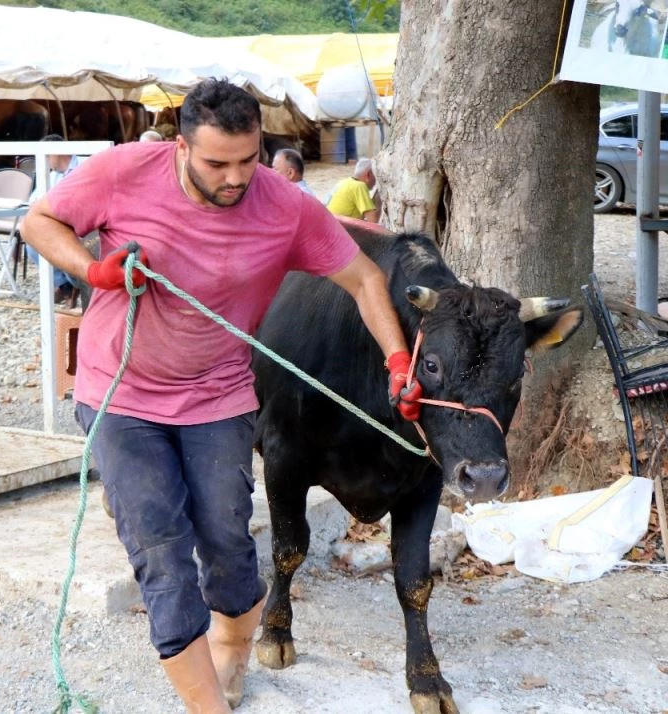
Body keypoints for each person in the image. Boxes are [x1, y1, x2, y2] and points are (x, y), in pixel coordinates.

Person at [21, 79, 421, 713]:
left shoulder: (283, 204)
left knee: (229, 545)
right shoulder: (125, 171)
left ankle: (234, 640)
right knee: (161, 551)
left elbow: (365, 278)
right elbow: (37, 221)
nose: (237, 177)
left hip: (219, 397)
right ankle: (205, 703)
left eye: (249, 158)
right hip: (121, 392)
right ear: (181, 148)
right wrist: (94, 269)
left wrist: (399, 361)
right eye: (217, 163)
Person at [24, 134, 82, 304]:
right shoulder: (52, 175)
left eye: (46, 157)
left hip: (80, 224)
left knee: (66, 247)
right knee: (32, 245)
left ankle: (75, 283)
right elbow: (34, 198)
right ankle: (65, 285)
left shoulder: (84, 166)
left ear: (55, 153)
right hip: (56, 224)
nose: (45, 162)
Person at [326, 157, 381, 222]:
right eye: (375, 176)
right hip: (341, 228)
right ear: (368, 175)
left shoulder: (345, 182)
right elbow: (373, 220)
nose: (376, 181)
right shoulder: (359, 186)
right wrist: (380, 197)